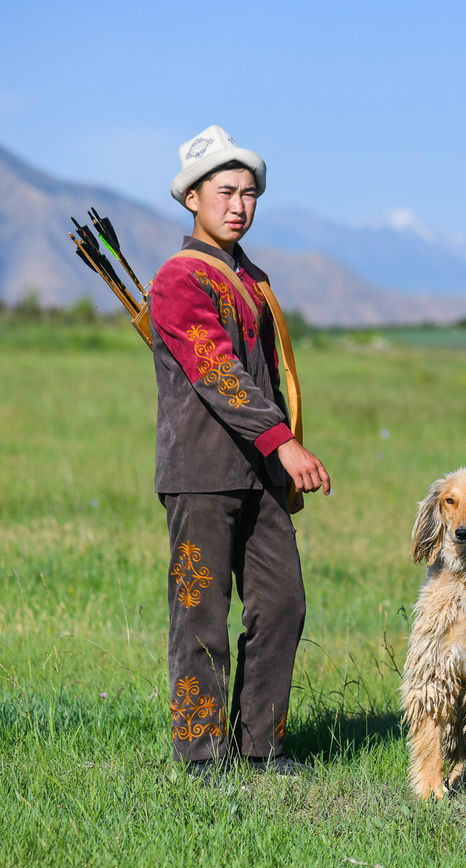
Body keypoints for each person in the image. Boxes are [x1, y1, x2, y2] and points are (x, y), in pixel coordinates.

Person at [149, 125, 331, 779]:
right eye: (224, 191)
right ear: (192, 198)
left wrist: (277, 451)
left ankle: (260, 743)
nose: (239, 205)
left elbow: (267, 376)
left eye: (249, 193)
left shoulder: (250, 278)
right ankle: (200, 751)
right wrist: (285, 442)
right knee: (200, 612)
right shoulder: (178, 278)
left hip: (260, 472)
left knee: (283, 603)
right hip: (200, 472)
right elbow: (217, 370)